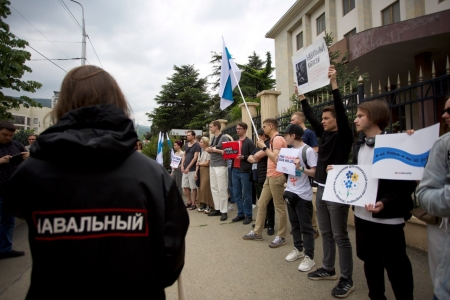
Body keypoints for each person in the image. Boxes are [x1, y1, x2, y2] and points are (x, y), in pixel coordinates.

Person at [4, 65, 189, 299]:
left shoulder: (31, 172)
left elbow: (19, 210)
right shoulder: (152, 173)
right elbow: (171, 254)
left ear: (64, 103)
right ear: (117, 101)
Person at [296, 66, 354, 298]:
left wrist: (334, 84)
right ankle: (328, 268)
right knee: (327, 232)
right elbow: (310, 116)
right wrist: (301, 97)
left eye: (327, 118)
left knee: (340, 235)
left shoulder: (344, 136)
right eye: (323, 119)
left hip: (337, 190)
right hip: (320, 187)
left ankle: (346, 278)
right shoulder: (325, 134)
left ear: (336, 121)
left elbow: (339, 110)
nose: (323, 121)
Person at [351, 100, 416, 300]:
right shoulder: (359, 146)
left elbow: (406, 184)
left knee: (397, 268)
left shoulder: (397, 143)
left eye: (360, 116)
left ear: (375, 117)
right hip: (362, 216)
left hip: (388, 220)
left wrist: (385, 202)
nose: (355, 119)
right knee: (370, 264)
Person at [416, 98, 450, 300]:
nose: (444, 115)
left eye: (449, 110)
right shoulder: (443, 144)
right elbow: (424, 193)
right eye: (445, 110)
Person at [243, 118, 288, 248]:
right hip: (270, 176)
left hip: (277, 176)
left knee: (279, 206)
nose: (263, 129)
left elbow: (276, 158)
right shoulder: (273, 140)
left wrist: (263, 147)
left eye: (264, 126)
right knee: (261, 203)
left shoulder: (278, 139)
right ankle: (257, 232)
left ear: (271, 126)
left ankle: (281, 236)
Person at [282, 124, 317, 272]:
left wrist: (300, 168)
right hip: (290, 190)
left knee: (306, 227)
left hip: (303, 194)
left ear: (293, 135)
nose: (285, 138)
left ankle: (309, 257)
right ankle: (298, 248)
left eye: (286, 135)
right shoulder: (288, 151)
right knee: (294, 224)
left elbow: (314, 173)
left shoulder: (307, 151)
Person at [0, 121, 29, 259]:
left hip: (11, 191)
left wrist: (25, 158)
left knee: (8, 221)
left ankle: (5, 249)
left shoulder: (16, 145)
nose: (8, 138)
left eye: (11, 135)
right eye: (5, 134)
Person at [290, 112, 320, 239]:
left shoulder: (309, 133)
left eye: (293, 120)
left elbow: (315, 150)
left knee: (306, 202)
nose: (291, 122)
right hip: (295, 172)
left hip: (305, 172)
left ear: (300, 120)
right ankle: (302, 227)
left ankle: (313, 228)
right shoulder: (292, 137)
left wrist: (303, 162)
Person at [248, 128, 275, 236]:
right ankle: (263, 222)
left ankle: (271, 224)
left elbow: (258, 156)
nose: (257, 139)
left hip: (263, 176)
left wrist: (255, 157)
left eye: (258, 136)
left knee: (268, 203)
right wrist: (255, 158)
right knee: (261, 202)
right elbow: (250, 157)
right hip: (255, 176)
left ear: (263, 136)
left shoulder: (268, 144)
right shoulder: (258, 146)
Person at [231, 122, 256, 225]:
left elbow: (254, 156)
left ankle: (248, 215)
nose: (238, 130)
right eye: (237, 129)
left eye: (240, 129)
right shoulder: (235, 142)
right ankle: (240, 213)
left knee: (247, 194)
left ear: (245, 130)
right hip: (235, 170)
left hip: (245, 171)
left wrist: (244, 157)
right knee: (236, 193)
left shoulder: (249, 142)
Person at [205, 121, 229, 220]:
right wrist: (210, 150)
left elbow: (227, 151)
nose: (210, 128)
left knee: (222, 188)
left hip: (221, 165)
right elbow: (212, 149)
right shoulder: (213, 138)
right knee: (214, 187)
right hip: (213, 165)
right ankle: (217, 208)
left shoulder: (224, 137)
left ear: (216, 127)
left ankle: (224, 211)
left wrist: (214, 150)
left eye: (211, 126)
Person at [181, 130, 201, 209]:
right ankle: (189, 201)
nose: (187, 137)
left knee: (193, 187)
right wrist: (182, 165)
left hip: (192, 169)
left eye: (189, 135)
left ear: (193, 136)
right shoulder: (186, 145)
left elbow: (195, 157)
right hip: (185, 169)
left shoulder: (197, 145)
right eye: (187, 135)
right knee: (185, 186)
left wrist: (188, 167)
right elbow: (184, 155)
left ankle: (193, 203)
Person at [195, 137, 214, 214]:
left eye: (201, 142)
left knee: (205, 187)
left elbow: (207, 163)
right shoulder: (200, 152)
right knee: (200, 188)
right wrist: (196, 172)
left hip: (206, 171)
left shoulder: (208, 152)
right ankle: (203, 203)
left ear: (205, 143)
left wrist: (199, 164)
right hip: (201, 171)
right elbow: (198, 163)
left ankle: (209, 204)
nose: (200, 143)